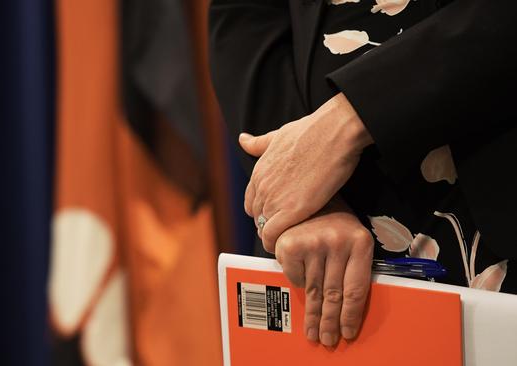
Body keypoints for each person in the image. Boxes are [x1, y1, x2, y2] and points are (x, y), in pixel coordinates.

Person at [209, 0, 517, 348]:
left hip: (488, 202)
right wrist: (299, 192)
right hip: (314, 237)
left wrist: (351, 118)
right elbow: (244, 16)